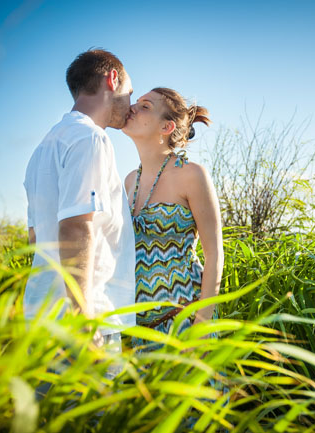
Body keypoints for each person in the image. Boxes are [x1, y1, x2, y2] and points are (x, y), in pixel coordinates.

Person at [23, 49, 136, 354]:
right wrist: (83, 316)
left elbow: (35, 236)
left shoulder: (44, 148)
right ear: (112, 79)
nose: (131, 105)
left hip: (41, 314)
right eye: (130, 91)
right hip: (82, 318)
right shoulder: (90, 139)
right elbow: (76, 227)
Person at [121, 87, 223, 348]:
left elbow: (214, 253)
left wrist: (202, 323)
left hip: (184, 320)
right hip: (141, 330)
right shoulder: (130, 180)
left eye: (145, 106)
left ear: (167, 127)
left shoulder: (192, 174)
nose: (132, 107)